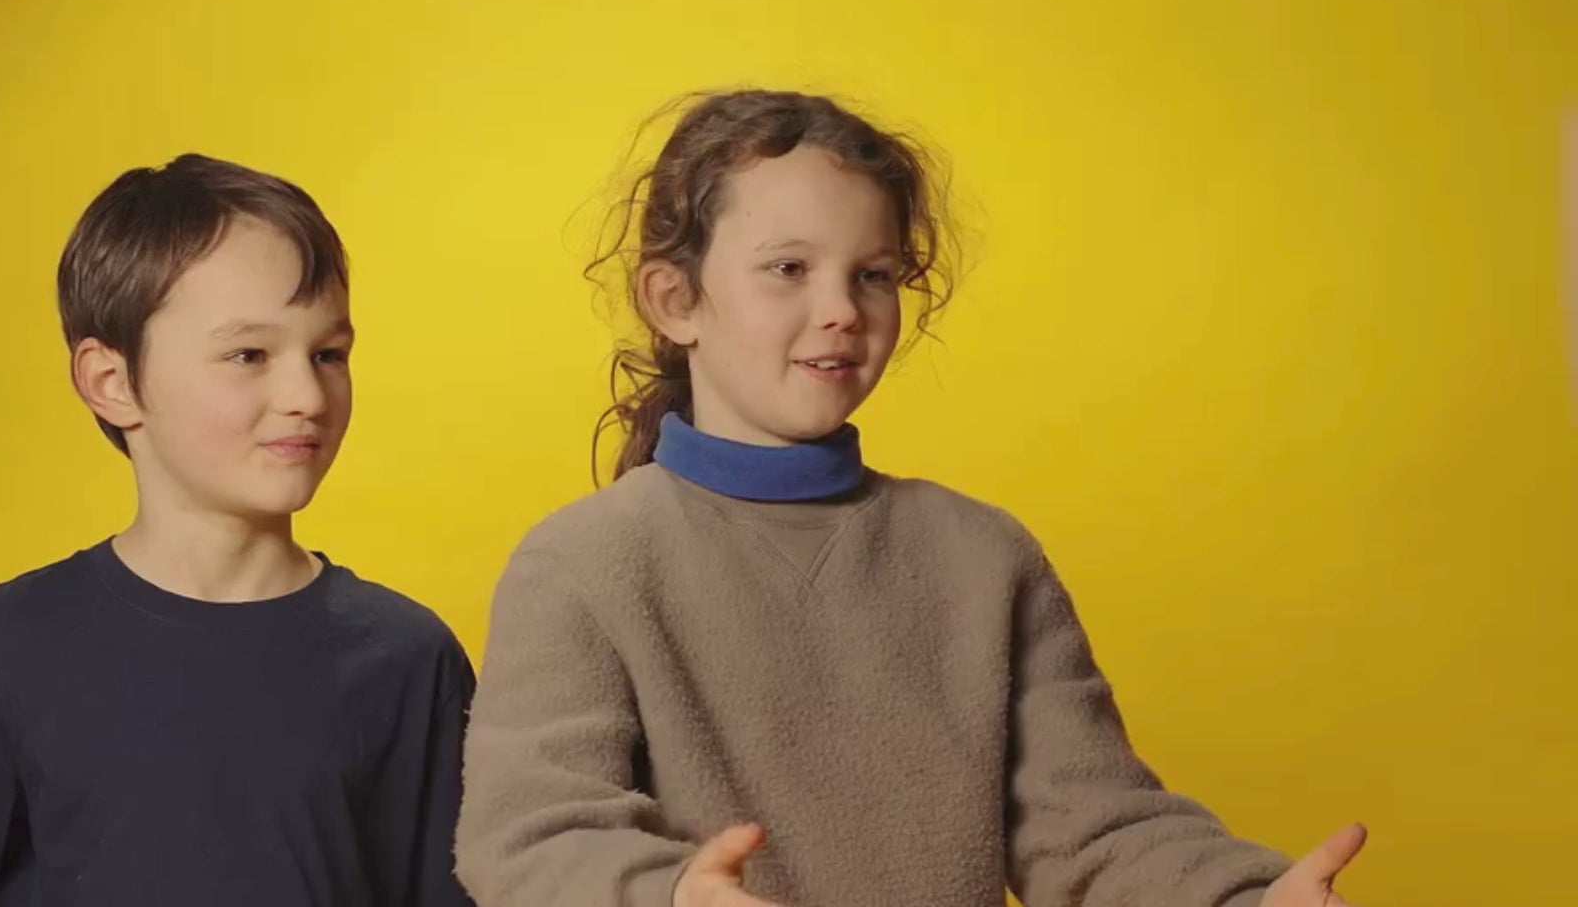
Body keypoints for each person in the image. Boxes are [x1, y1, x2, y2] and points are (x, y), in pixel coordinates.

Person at [454, 90, 1367, 907]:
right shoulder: (582, 563)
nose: (843, 308)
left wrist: (1243, 900)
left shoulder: (982, 556)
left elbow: (1093, 825)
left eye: (874, 274)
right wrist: (671, 896)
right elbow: (528, 840)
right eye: (788, 269)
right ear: (674, 299)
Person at [0, 154, 474, 905]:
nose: (306, 394)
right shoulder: (5, 650)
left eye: (329, 354)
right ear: (112, 382)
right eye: (248, 354)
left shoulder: (411, 661)